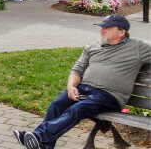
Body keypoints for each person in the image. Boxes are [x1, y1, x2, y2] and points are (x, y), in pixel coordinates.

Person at [13, 14, 151, 149]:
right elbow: (77, 70)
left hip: (110, 95)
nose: (102, 30)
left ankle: (39, 136)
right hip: (84, 88)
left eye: (107, 28)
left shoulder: (138, 48)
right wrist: (71, 86)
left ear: (122, 32)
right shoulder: (92, 47)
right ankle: (43, 144)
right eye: (101, 27)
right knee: (57, 105)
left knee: (79, 108)